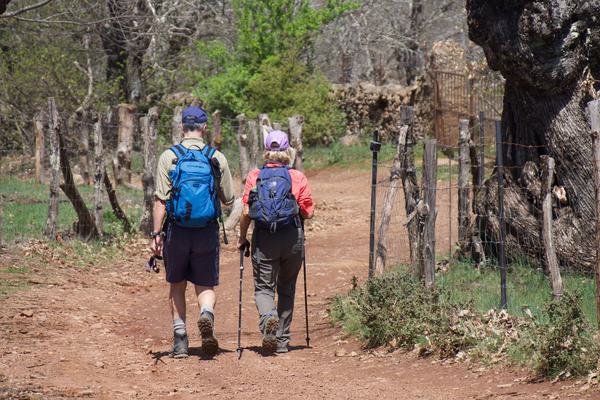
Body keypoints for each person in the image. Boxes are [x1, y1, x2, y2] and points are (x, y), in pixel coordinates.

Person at [150, 106, 235, 358]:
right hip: (206, 231)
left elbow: (160, 201)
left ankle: (180, 341)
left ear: (181, 126)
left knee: (177, 284)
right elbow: (229, 198)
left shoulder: (169, 156)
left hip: (177, 230)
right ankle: (206, 314)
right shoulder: (216, 157)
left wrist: (156, 235)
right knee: (205, 284)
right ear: (204, 127)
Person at [237, 130, 314, 354]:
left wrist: (243, 237)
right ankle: (282, 341)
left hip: (264, 240)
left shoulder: (255, 176)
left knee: (263, 288)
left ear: (266, 150)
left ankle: (268, 319)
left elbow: (246, 211)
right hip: (292, 238)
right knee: (287, 289)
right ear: (287, 149)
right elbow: (308, 212)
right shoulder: (297, 177)